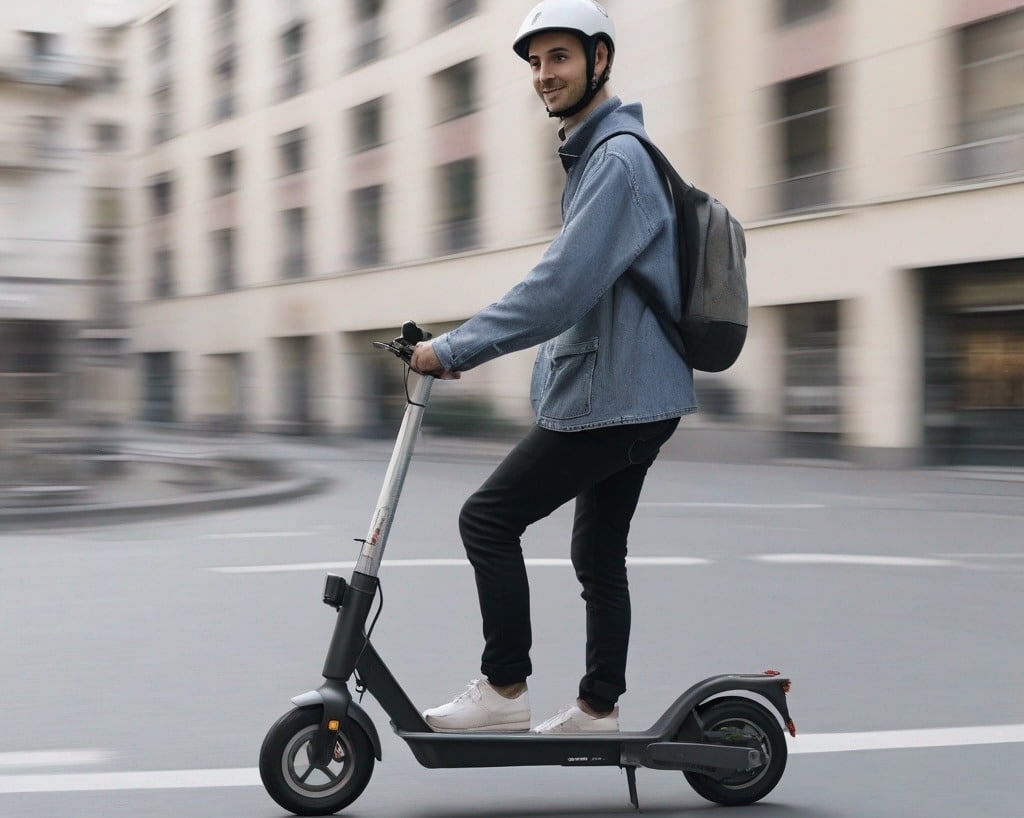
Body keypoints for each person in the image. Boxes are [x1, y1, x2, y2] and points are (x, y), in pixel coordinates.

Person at [410, 0, 695, 734]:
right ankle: (599, 708)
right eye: (535, 62)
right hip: (637, 394)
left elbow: (558, 290)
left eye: (559, 57)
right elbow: (573, 292)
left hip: (617, 399)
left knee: (488, 519)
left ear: (600, 59)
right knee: (598, 554)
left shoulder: (618, 161)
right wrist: (463, 349)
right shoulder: (603, 156)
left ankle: (504, 689)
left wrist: (454, 348)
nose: (543, 75)